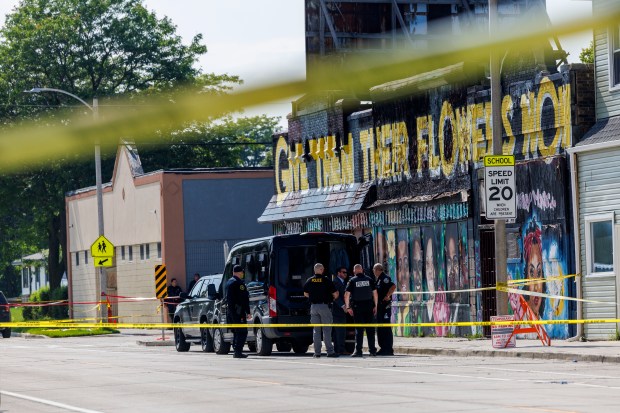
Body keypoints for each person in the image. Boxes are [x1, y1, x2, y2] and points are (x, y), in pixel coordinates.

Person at [303, 263, 339, 358]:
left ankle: (317, 353)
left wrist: (313, 297)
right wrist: (333, 298)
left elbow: (305, 294)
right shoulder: (326, 280)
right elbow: (335, 293)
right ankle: (330, 352)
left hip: (313, 307)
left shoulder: (309, 280)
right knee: (327, 330)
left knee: (316, 330)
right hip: (324, 306)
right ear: (322, 270)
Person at [344, 264, 378, 357]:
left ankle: (358, 351)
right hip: (369, 306)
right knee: (370, 329)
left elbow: (347, 294)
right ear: (362, 270)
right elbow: (375, 293)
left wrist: (348, 307)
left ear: (354, 271)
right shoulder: (369, 279)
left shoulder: (352, 280)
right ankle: (372, 351)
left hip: (357, 307)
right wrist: (376, 305)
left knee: (359, 330)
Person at [226, 265, 251, 358]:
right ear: (239, 272)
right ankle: (238, 351)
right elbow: (244, 299)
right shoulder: (239, 283)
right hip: (238, 312)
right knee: (242, 331)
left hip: (231, 311)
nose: (242, 274)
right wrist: (248, 312)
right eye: (242, 272)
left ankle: (236, 350)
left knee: (236, 331)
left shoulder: (229, 282)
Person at [373, 263, 396, 356]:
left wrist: (388, 296)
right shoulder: (378, 279)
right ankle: (383, 347)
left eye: (374, 270)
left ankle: (388, 348)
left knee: (385, 327)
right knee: (380, 327)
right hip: (380, 307)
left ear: (378, 269)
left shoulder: (384, 278)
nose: (373, 272)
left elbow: (393, 286)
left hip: (384, 306)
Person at [523, 222, 545, 318]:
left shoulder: (543, 324)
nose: (536, 287)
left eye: (539, 273)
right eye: (532, 273)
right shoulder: (521, 320)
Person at [331, 266, 349, 355]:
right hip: (337, 310)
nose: (345, 274)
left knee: (339, 331)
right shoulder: (335, 282)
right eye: (343, 272)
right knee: (340, 331)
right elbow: (335, 297)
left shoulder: (343, 282)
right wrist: (343, 306)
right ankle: (340, 350)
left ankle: (338, 349)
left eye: (346, 272)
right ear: (338, 273)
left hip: (341, 310)